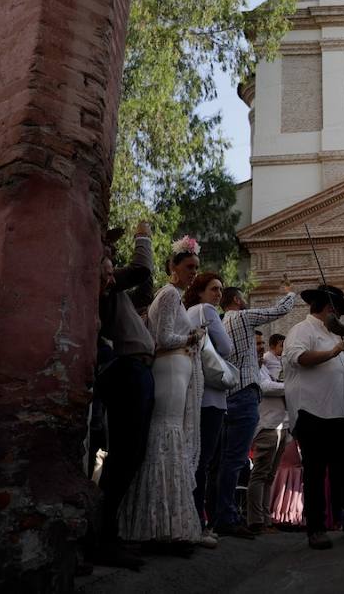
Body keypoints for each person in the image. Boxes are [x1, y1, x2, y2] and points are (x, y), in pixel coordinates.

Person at [118, 236, 206, 552]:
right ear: (173, 267)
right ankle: (158, 526)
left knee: (169, 436)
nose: (194, 272)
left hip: (176, 373)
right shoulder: (169, 295)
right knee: (165, 434)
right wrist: (193, 336)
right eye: (189, 267)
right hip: (169, 372)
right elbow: (163, 337)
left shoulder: (175, 297)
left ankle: (164, 523)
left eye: (196, 267)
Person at [282, 283, 344, 550]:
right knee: (315, 471)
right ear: (329, 309)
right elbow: (298, 358)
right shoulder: (302, 330)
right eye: (339, 312)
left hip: (341, 414)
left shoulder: (331, 334)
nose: (342, 319)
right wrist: (331, 353)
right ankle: (316, 527)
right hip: (312, 411)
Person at [88, 222, 156, 569]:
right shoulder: (101, 281)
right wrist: (143, 235)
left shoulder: (116, 293)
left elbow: (144, 291)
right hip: (127, 370)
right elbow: (142, 268)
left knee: (132, 453)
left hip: (138, 371)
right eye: (108, 250)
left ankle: (108, 533)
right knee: (125, 453)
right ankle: (102, 537)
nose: (111, 256)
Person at [214, 279, 298, 539]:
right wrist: (289, 294)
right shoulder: (240, 317)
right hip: (245, 395)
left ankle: (225, 514)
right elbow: (277, 311)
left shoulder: (221, 323)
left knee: (228, 461)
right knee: (238, 462)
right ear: (237, 301)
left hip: (229, 395)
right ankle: (230, 517)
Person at [183, 272, 233, 545]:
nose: (218, 294)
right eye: (214, 289)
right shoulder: (207, 311)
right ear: (200, 291)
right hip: (211, 396)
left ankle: (192, 518)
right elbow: (225, 348)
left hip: (190, 393)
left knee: (192, 458)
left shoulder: (188, 311)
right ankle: (200, 522)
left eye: (221, 290)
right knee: (204, 460)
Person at [247, 331, 288, 534]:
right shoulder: (252, 367)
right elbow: (265, 387)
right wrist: (290, 386)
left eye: (262, 342)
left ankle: (266, 518)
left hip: (279, 425)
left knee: (269, 475)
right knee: (260, 474)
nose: (261, 346)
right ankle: (256, 520)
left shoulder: (264, 365)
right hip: (266, 426)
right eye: (257, 343)